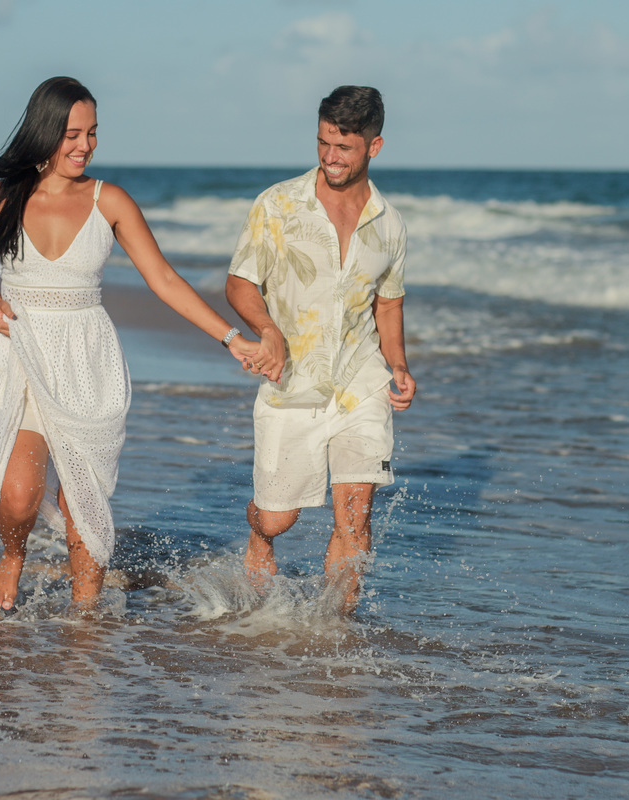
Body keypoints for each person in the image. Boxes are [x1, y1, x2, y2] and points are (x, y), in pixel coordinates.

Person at [0, 77, 257, 613]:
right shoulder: (0, 197)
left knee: (81, 504)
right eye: (71, 134)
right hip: (22, 355)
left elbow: (162, 279)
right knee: (18, 494)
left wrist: (231, 337)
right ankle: (13, 554)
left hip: (86, 360)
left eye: (92, 134)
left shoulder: (108, 200)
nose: (84, 146)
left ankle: (84, 623)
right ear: (44, 132)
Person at [225, 85, 416, 615]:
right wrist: (268, 329)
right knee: (277, 518)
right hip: (293, 384)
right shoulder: (278, 204)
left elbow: (388, 304)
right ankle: (258, 535)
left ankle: (335, 630)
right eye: (323, 143)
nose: (330, 157)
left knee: (354, 515)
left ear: (374, 147)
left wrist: (398, 366)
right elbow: (240, 284)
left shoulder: (390, 224)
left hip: (360, 382)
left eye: (344, 148)